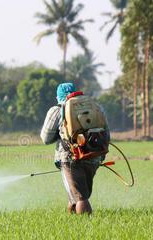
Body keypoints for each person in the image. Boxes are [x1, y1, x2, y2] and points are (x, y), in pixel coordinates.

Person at [40, 82, 106, 214]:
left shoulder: (57, 110)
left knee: (81, 197)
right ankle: (71, 220)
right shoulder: (95, 108)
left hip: (70, 158)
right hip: (93, 156)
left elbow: (46, 138)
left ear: (58, 97)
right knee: (77, 192)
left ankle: (87, 227)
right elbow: (106, 133)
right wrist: (101, 155)